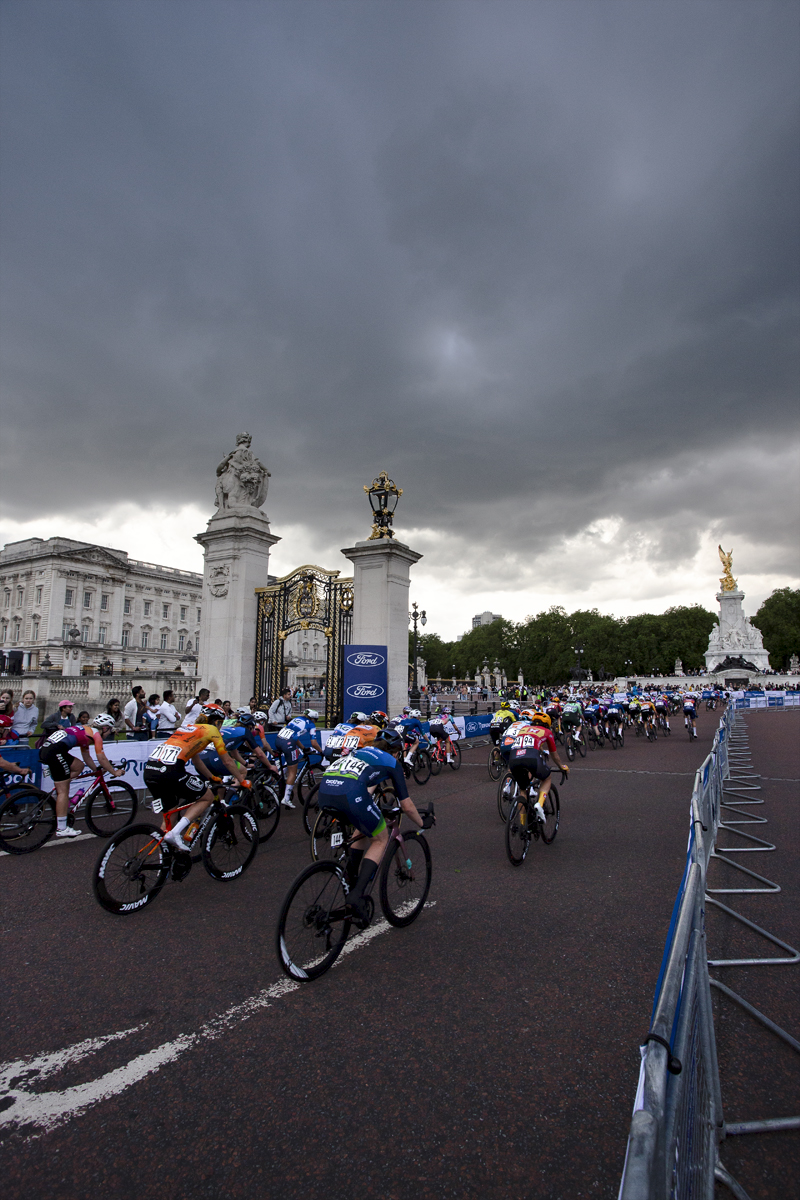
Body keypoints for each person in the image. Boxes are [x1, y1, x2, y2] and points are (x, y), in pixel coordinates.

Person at [315, 726, 433, 926]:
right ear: (396, 751)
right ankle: (356, 896)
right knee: (381, 839)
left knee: (363, 828)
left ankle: (351, 881)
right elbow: (406, 805)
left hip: (325, 791)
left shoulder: (361, 751)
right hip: (350, 794)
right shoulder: (392, 762)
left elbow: (368, 789)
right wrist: (424, 823)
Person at [143, 703, 249, 862]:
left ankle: (162, 861)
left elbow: (196, 758)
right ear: (216, 721)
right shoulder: (211, 730)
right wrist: (242, 780)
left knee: (170, 815)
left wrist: (211, 777)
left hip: (150, 770)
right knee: (206, 797)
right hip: (171, 771)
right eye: (220, 722)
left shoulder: (188, 727)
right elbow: (227, 761)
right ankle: (176, 833)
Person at [38, 713, 125, 838]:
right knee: (63, 791)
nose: (109, 734)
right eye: (110, 731)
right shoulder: (96, 735)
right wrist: (113, 772)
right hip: (55, 752)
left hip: (47, 749)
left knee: (78, 766)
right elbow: (101, 758)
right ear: (105, 728)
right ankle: (62, 828)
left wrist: (97, 770)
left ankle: (60, 787)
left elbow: (86, 757)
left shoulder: (86, 731)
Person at [499, 711, 569, 823]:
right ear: (547, 724)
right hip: (531, 759)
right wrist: (561, 766)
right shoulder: (546, 731)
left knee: (522, 790)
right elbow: (554, 755)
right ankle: (539, 805)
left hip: (514, 759)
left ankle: (523, 824)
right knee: (546, 778)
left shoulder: (523, 730)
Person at [274, 708, 323, 808]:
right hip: (288, 743)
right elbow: (314, 743)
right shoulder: (311, 724)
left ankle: (279, 774)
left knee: (294, 754)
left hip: (278, 740)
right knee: (293, 772)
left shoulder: (296, 719)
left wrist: (303, 748)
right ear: (313, 719)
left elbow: (294, 737)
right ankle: (286, 799)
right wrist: (322, 752)